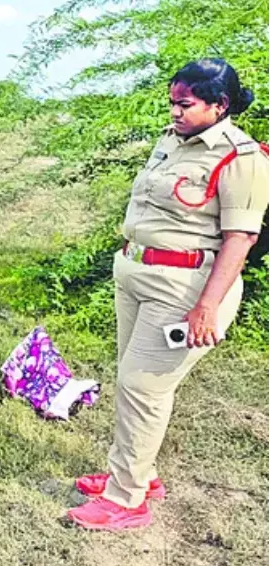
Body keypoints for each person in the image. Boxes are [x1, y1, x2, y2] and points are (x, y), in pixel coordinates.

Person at [67, 58, 269, 531]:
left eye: (186, 104)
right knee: (133, 382)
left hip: (186, 287)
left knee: (144, 386)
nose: (175, 112)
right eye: (172, 102)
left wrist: (208, 307)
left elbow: (240, 238)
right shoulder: (171, 142)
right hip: (138, 273)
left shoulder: (242, 158)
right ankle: (138, 473)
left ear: (219, 106)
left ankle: (127, 500)